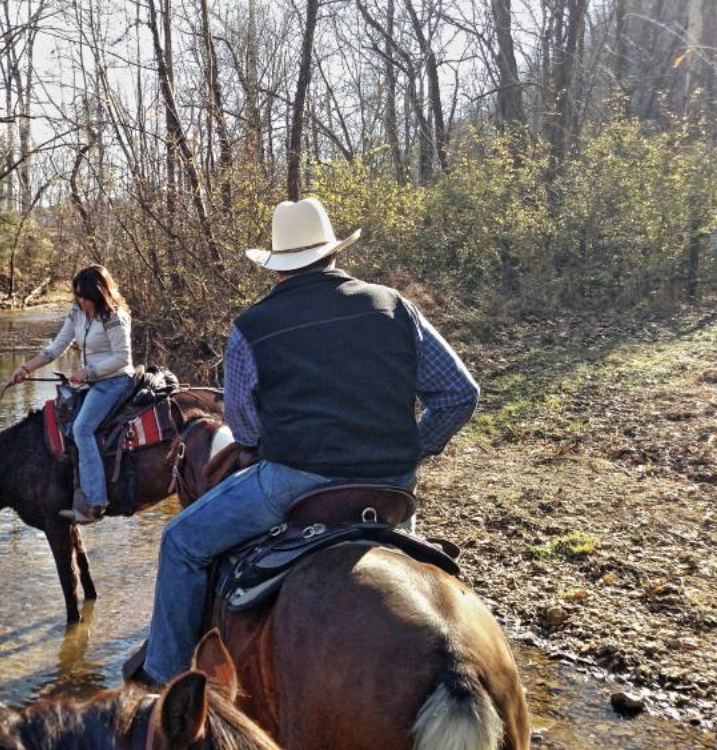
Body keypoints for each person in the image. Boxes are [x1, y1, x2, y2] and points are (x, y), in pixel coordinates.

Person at [136, 197, 480, 685]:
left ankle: (164, 685)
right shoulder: (393, 305)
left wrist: (270, 440)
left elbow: (246, 427)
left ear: (277, 268)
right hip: (391, 487)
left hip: (296, 481)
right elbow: (460, 395)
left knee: (181, 542)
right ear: (333, 254)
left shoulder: (252, 328)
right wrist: (414, 447)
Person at [11, 265, 134, 524]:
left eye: (85, 296)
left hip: (115, 382)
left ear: (100, 293)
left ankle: (94, 503)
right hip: (94, 382)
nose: (81, 300)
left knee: (82, 429)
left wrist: (88, 372)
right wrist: (25, 368)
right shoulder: (76, 313)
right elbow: (55, 349)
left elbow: (122, 358)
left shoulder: (115, 316)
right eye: (77, 294)